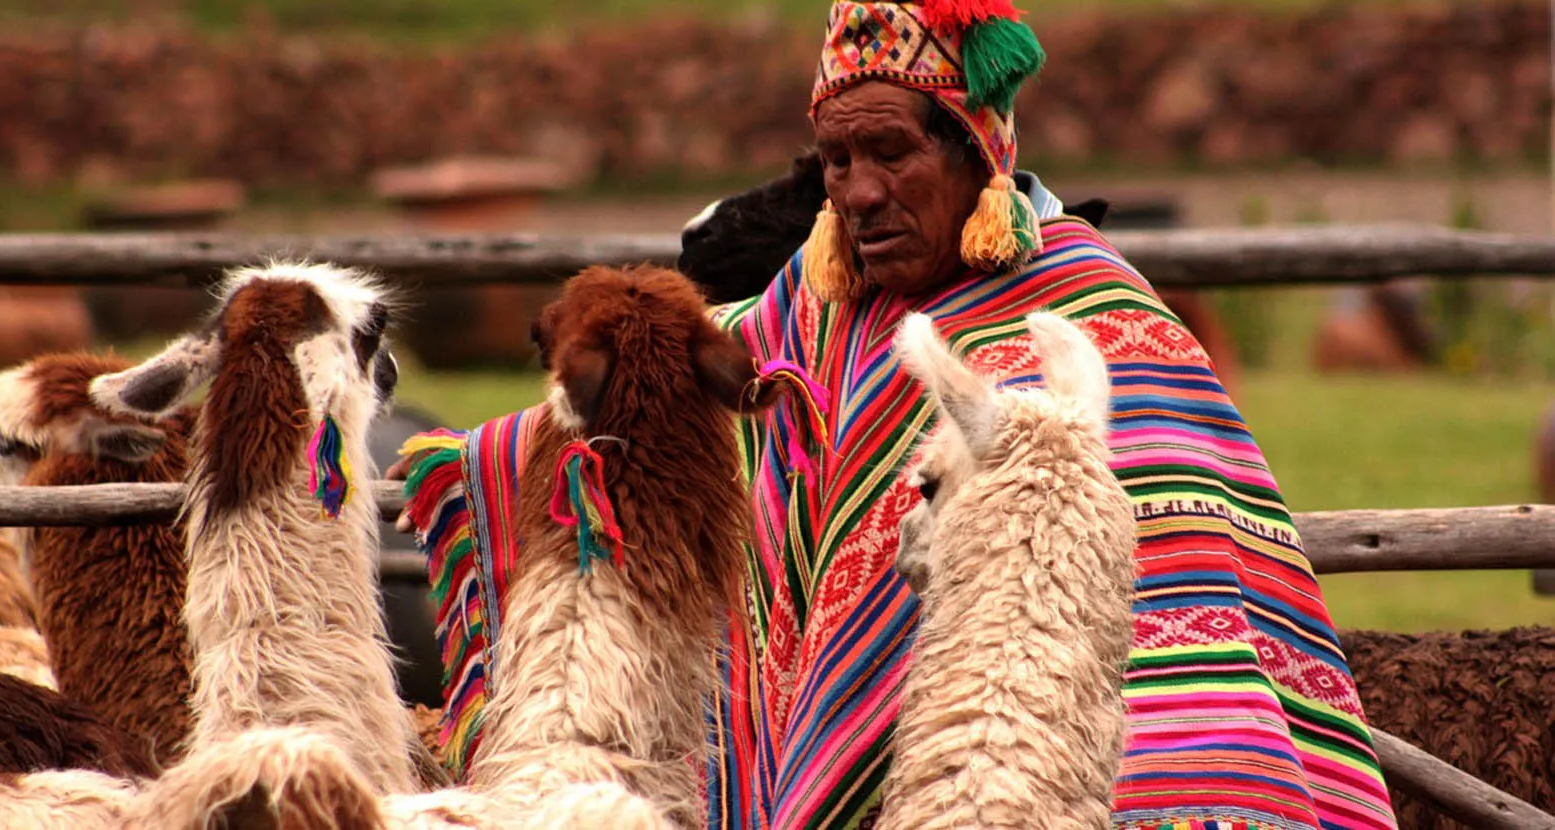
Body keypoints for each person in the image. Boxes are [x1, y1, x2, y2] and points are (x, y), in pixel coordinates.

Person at [392, 1, 1399, 827]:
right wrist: (481, 458)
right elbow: (692, 358)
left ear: (978, 148)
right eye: (835, 162)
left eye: (889, 152)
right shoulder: (820, 300)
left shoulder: (1101, 328)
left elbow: (1171, 608)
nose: (859, 193)